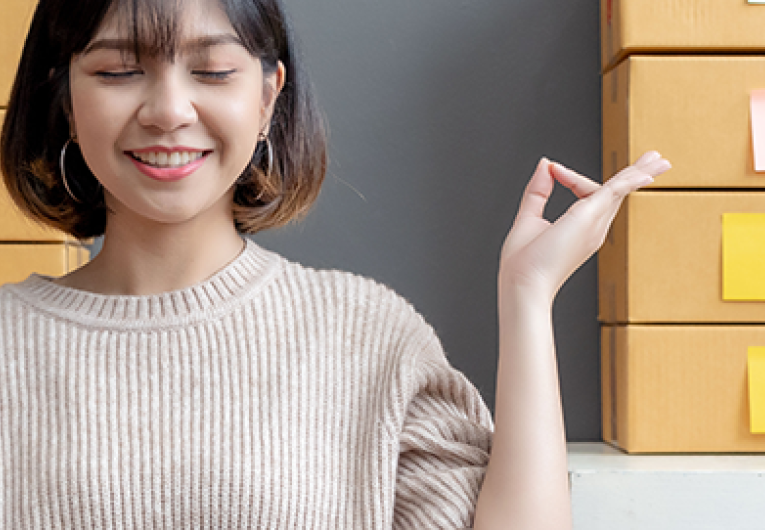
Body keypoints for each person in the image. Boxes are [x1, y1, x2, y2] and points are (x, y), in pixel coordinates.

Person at [0, 0, 671, 528]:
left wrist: (527, 296)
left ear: (267, 97)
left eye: (212, 71)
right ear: (63, 99)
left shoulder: (365, 334)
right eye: (118, 70)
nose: (170, 110)